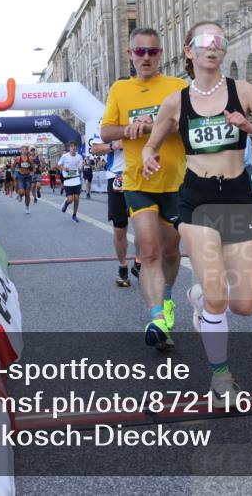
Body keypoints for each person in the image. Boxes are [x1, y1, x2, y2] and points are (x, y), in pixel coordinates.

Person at [142, 21, 252, 396]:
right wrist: (148, 157)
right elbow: (153, 143)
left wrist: (251, 128)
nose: (213, 47)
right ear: (190, 52)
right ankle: (221, 376)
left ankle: (197, 299)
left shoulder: (241, 91)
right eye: (204, 41)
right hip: (198, 197)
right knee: (216, 294)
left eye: (219, 41)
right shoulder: (176, 102)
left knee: (243, 306)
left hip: (238, 197)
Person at [100, 27, 188, 349]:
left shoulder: (177, 87)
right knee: (148, 250)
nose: (146, 58)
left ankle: (166, 300)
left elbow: (192, 125)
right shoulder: (120, 89)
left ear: (160, 54)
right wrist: (129, 128)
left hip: (175, 182)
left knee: (171, 251)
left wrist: (160, 126)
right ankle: (156, 318)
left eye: (152, 52)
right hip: (138, 181)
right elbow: (107, 132)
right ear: (130, 55)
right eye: (140, 52)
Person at [91, 112, 137, 288]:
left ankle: (139, 262)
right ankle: (123, 266)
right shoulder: (107, 121)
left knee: (144, 224)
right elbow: (95, 148)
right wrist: (114, 145)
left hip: (141, 175)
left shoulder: (143, 114)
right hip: (117, 177)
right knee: (120, 229)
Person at [57, 141, 84, 223]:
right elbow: (58, 165)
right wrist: (64, 168)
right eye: (72, 146)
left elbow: (80, 168)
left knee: (76, 199)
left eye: (75, 146)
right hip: (68, 180)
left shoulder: (79, 157)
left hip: (76, 179)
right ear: (69, 148)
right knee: (70, 199)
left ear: (76, 148)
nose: (73, 148)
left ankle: (74, 215)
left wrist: (81, 167)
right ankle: (66, 202)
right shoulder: (65, 156)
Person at [13, 146, 36, 214]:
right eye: (22, 149)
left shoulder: (30, 158)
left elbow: (33, 167)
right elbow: (13, 166)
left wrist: (33, 172)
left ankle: (27, 207)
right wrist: (12, 173)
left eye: (25, 149)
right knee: (22, 192)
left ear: (27, 151)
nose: (24, 151)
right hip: (21, 176)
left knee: (27, 194)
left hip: (28, 177)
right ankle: (20, 195)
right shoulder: (18, 159)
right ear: (21, 151)